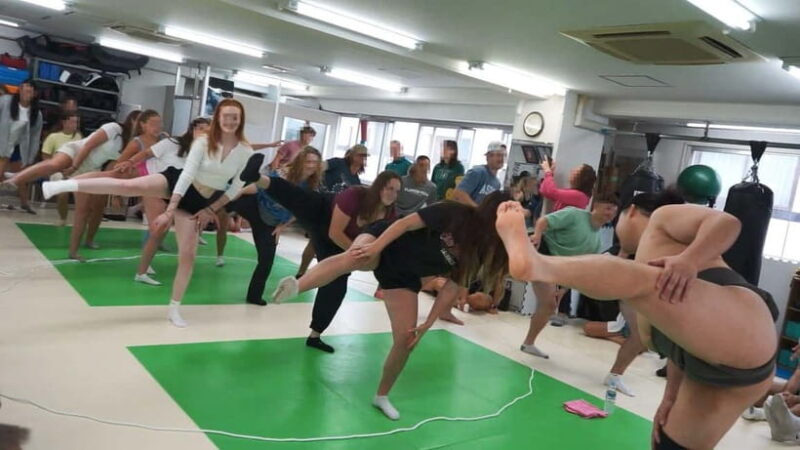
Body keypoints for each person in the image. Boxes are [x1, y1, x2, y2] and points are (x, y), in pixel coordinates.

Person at [496, 191, 778, 450]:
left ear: (630, 211)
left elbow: (728, 223)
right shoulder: (648, 285)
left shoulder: (662, 217)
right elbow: (683, 335)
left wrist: (689, 259)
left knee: (645, 280)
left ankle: (535, 264)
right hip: (714, 364)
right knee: (668, 443)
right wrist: (670, 395)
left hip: (742, 324)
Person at [271, 191, 512, 420]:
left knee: (406, 340)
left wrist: (427, 324)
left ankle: (381, 395)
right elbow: (404, 224)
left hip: (404, 276)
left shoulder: (480, 252)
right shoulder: (455, 213)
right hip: (385, 240)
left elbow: (450, 288)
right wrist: (375, 246)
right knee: (356, 256)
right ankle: (297, 286)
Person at [42, 99, 253, 327]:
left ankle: (174, 308)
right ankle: (63, 185)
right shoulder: (202, 142)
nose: (230, 121)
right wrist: (169, 210)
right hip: (178, 183)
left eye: (235, 117)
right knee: (128, 186)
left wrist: (209, 210)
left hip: (201, 202)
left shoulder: (245, 151)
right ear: (218, 118)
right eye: (226, 116)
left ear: (241, 120)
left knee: (188, 257)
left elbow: (235, 188)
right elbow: (187, 174)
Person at [240, 162, 400, 352]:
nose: (392, 194)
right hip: (323, 215)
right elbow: (335, 232)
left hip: (338, 244)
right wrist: (356, 255)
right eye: (389, 188)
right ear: (379, 186)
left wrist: (359, 259)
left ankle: (315, 335)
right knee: (299, 198)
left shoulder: (390, 215)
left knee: (337, 286)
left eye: (397, 191)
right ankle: (256, 177)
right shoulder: (355, 195)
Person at [519, 193, 619, 358]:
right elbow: (544, 221)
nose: (610, 214)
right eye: (607, 208)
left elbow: (578, 270)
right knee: (549, 304)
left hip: (555, 268)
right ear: (596, 206)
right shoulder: (574, 214)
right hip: (542, 251)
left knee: (549, 305)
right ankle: (528, 343)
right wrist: (537, 235)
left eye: (614, 212)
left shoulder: (596, 243)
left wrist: (563, 290)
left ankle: (528, 343)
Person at [225, 146, 324, 304]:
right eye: (308, 161)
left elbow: (298, 211)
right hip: (255, 206)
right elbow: (259, 186)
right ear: (300, 162)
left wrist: (282, 226)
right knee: (230, 196)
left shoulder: (311, 187)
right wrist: (238, 193)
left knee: (266, 261)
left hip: (270, 222)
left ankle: (254, 296)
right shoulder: (283, 174)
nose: (311, 165)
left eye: (315, 162)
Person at [122, 117, 210, 286]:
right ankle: (142, 271)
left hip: (175, 193)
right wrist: (130, 162)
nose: (203, 133)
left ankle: (143, 269)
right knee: (157, 230)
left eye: (207, 131)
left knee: (160, 231)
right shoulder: (173, 142)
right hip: (157, 184)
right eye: (200, 129)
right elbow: (147, 153)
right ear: (192, 129)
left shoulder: (204, 152)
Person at [66, 110, 162, 260]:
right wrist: (117, 191)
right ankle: (73, 251)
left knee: (98, 209)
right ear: (142, 124)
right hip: (98, 172)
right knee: (82, 212)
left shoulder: (158, 142)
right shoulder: (130, 138)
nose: (157, 127)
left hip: (116, 176)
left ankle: (89, 240)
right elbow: (118, 166)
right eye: (153, 124)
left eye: (159, 124)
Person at [0, 79, 43, 214]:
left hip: (19, 146)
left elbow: (35, 138)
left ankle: (24, 203)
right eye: (23, 89)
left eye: (29, 90)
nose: (25, 92)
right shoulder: (6, 101)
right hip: (3, 141)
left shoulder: (37, 114)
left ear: (34, 94)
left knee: (21, 177)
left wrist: (30, 158)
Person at [39, 112, 82, 225]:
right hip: (57, 171)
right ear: (64, 122)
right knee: (63, 192)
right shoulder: (53, 137)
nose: (75, 125)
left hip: (75, 170)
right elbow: (46, 157)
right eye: (72, 122)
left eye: (76, 122)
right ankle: (63, 219)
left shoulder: (79, 137)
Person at [452, 141, 506, 207]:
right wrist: (478, 210)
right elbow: (458, 194)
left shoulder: (497, 184)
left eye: (503, 155)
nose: (501, 159)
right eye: (498, 155)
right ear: (488, 157)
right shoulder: (478, 172)